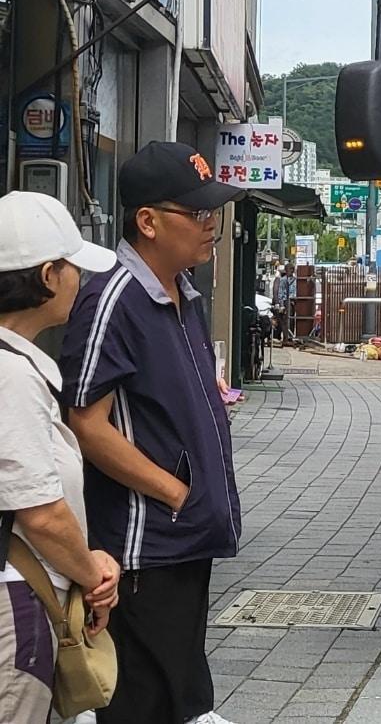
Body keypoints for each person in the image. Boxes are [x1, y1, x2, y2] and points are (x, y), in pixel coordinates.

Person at [60, 143, 244, 724]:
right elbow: (84, 422)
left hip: (187, 536)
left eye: (213, 211)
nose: (211, 225)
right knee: (142, 698)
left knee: (179, 694)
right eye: (198, 214)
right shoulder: (113, 299)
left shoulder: (183, 294)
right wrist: (173, 491)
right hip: (145, 545)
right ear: (148, 221)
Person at [0, 192, 121, 723]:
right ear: (49, 276)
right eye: (72, 268)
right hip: (13, 602)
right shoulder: (11, 376)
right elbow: (41, 513)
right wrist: (91, 573)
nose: (79, 280)